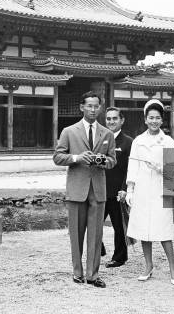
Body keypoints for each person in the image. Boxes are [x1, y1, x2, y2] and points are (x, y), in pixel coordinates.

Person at [53, 91, 116, 288]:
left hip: (97, 189)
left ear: (100, 108)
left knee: (96, 235)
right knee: (76, 234)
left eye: (96, 106)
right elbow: (57, 157)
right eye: (89, 105)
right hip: (77, 188)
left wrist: (103, 160)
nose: (92, 109)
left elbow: (113, 160)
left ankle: (93, 275)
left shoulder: (106, 133)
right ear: (82, 107)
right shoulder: (69, 131)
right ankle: (77, 272)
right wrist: (77, 158)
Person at [125, 99, 174, 284]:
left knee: (163, 230)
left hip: (160, 189)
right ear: (145, 119)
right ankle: (148, 265)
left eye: (157, 118)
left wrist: (160, 167)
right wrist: (130, 189)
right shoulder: (138, 141)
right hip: (142, 189)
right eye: (151, 118)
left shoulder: (168, 141)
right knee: (143, 230)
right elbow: (132, 165)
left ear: (162, 120)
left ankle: (173, 267)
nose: (154, 121)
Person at [101, 107, 133, 268]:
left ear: (122, 120)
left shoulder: (128, 142)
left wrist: (125, 189)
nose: (111, 121)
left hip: (117, 192)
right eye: (108, 119)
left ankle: (120, 257)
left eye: (114, 118)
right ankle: (98, 250)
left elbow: (130, 169)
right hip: (100, 190)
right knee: (92, 223)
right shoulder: (100, 139)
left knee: (119, 227)